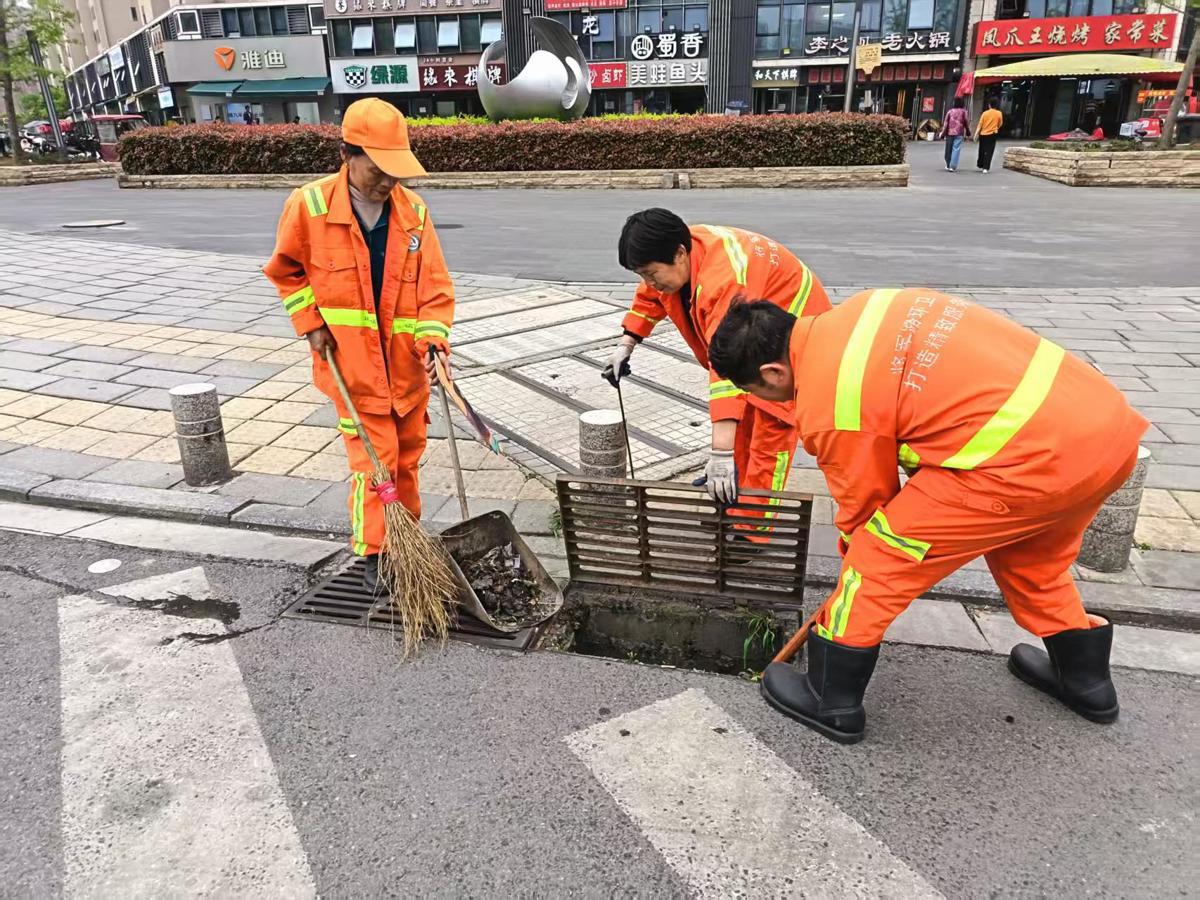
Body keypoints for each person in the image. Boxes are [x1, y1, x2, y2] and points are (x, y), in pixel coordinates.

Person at [707, 291, 1148, 744]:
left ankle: (830, 699)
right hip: (1105, 438)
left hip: (1024, 465)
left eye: (757, 394)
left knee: (878, 557)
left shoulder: (831, 399)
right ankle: (1086, 682)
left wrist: (854, 565)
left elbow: (866, 507)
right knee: (1032, 561)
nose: (771, 401)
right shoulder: (862, 311)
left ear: (772, 372)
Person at [264, 98, 454, 593]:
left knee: (408, 456)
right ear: (349, 154)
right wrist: (309, 323)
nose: (389, 181)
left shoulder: (413, 213)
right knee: (375, 462)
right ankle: (374, 551)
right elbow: (286, 272)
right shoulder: (309, 207)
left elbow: (434, 287)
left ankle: (406, 538)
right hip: (352, 368)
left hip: (407, 370)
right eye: (379, 169)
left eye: (396, 169)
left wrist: (433, 339)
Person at [610, 209, 831, 530]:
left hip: (790, 346)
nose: (649, 282)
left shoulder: (725, 281)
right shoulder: (678, 248)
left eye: (651, 272)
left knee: (769, 436)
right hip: (755, 330)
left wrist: (720, 455)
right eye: (642, 274)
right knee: (739, 428)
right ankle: (732, 494)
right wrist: (627, 342)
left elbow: (724, 374)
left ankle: (751, 530)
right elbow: (651, 294)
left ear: (679, 254)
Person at [939, 98, 971, 172]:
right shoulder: (964, 112)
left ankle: (948, 164)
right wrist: (968, 131)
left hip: (949, 133)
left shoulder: (950, 111)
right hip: (959, 133)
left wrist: (943, 134)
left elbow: (946, 124)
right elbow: (966, 122)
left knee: (948, 149)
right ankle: (952, 166)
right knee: (956, 149)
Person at [976, 97, 1003, 174]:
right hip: (993, 134)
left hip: (983, 134)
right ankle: (986, 168)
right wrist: (996, 127)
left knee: (982, 149)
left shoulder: (985, 113)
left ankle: (980, 164)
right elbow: (1000, 123)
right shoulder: (999, 113)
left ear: (989, 105)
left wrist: (976, 134)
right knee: (989, 151)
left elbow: (980, 124)